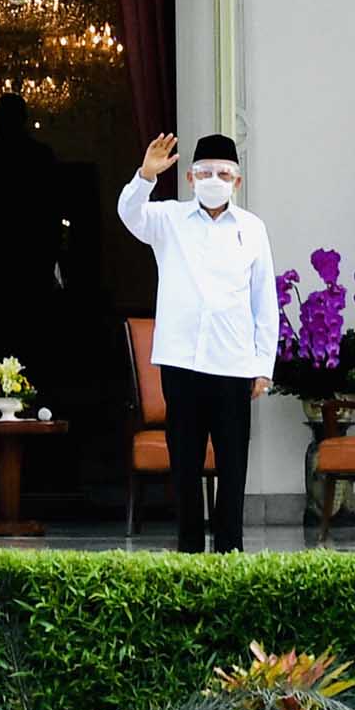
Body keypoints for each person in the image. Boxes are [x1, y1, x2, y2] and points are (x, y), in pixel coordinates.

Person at [117, 132, 277, 552]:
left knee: (232, 461)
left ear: (237, 182)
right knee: (184, 462)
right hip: (182, 361)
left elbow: (265, 299)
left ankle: (230, 549)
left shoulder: (252, 228)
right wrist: (145, 177)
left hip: (233, 362)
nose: (213, 179)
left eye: (223, 173)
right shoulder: (168, 220)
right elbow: (129, 214)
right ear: (190, 177)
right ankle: (187, 549)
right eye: (204, 172)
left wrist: (264, 365)